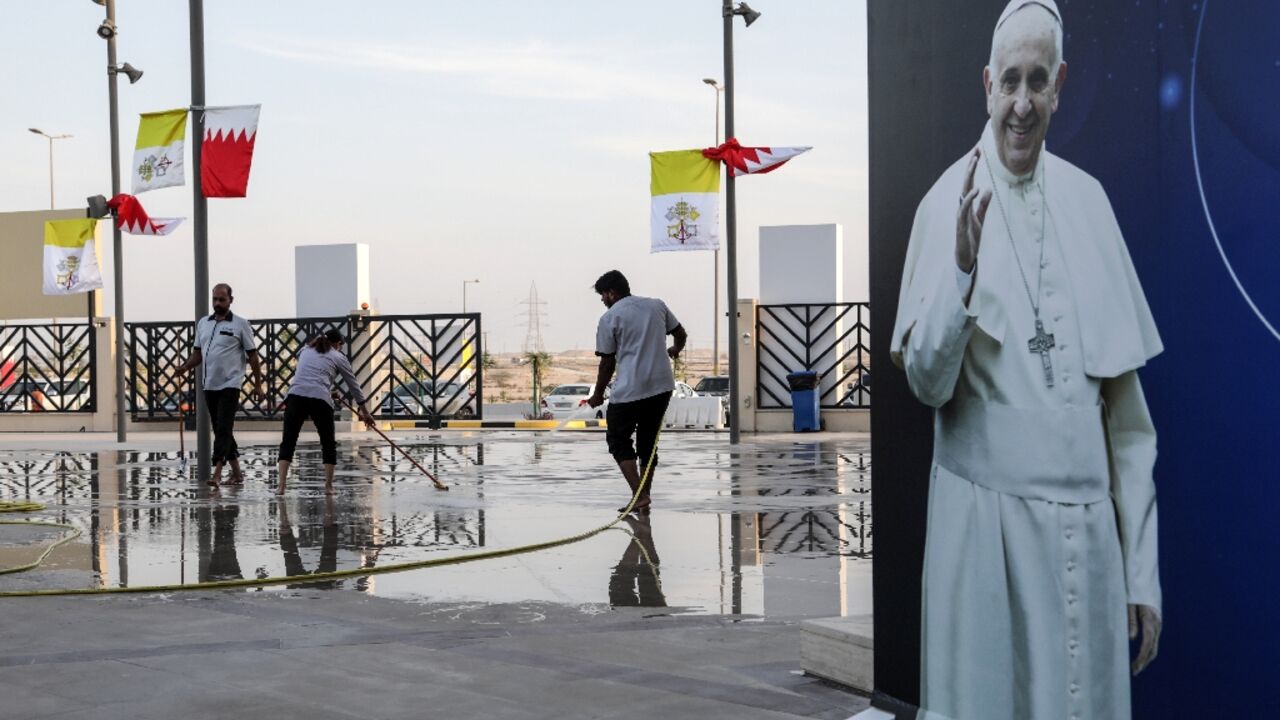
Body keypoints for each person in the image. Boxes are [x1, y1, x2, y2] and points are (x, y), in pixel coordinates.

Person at [888, 2, 1163, 718]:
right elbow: (925, 383)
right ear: (986, 83)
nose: (1021, 103)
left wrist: (1142, 572)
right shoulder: (944, 202)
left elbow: (1128, 427)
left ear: (1060, 84)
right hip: (985, 537)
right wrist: (961, 273)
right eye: (1009, 80)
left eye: (1037, 81)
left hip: (1086, 539)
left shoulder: (1090, 203)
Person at [587, 270, 686, 514]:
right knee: (648, 443)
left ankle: (638, 495)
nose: (602, 300)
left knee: (618, 441)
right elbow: (680, 334)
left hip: (630, 390)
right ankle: (644, 497)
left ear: (611, 292)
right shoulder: (656, 306)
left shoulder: (610, 318)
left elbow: (607, 363)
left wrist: (598, 394)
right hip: (661, 387)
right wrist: (674, 349)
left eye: (603, 295)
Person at [175, 283, 265, 488]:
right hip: (209, 385)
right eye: (214, 299)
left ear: (231, 300)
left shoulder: (241, 324)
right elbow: (197, 353)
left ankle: (216, 472)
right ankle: (237, 474)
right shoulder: (203, 324)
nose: (217, 303)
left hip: (230, 384)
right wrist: (185, 367)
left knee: (223, 428)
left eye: (222, 299)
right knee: (221, 430)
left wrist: (258, 385)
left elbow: (253, 356)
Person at [275, 328, 374, 496]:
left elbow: (311, 373)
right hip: (319, 398)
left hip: (295, 396)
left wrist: (327, 390)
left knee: (288, 441)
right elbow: (354, 386)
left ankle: (281, 487)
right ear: (337, 344)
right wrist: (365, 413)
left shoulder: (305, 350)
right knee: (327, 442)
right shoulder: (338, 357)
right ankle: (328, 487)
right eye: (340, 345)